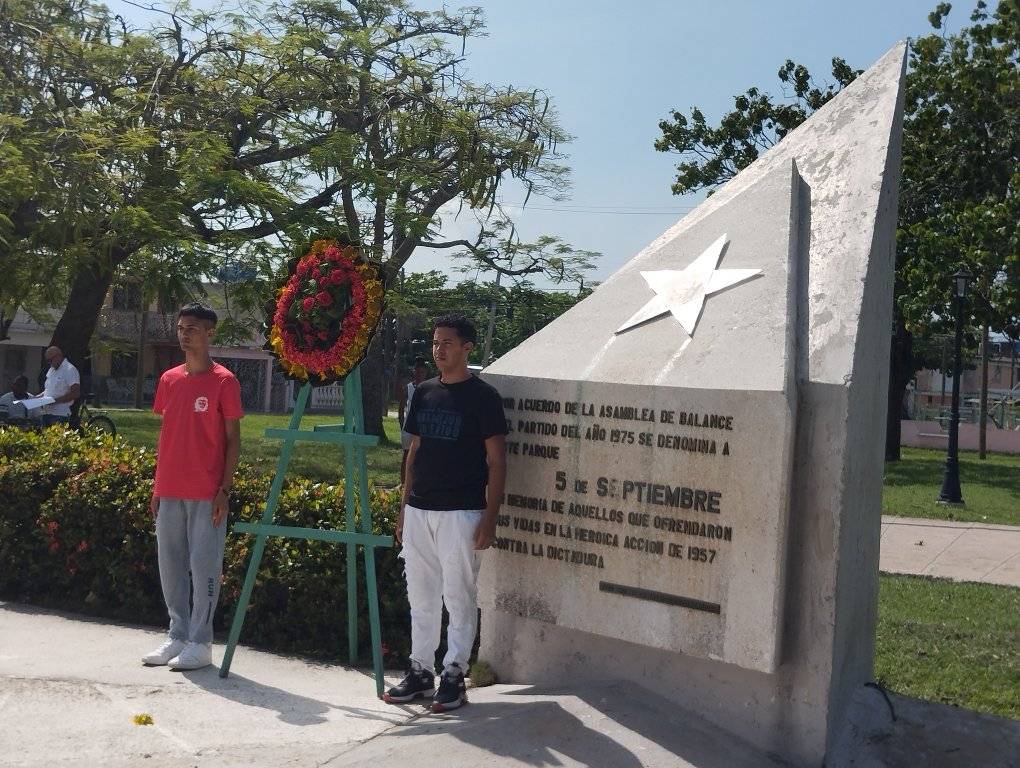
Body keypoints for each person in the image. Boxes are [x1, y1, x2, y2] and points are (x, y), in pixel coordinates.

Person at [384, 314, 507, 712]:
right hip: (420, 510)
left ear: (467, 347)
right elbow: (414, 451)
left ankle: (454, 674)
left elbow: (497, 460)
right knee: (420, 596)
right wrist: (404, 509)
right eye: (436, 342)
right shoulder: (423, 392)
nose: (439, 349)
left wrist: (490, 517)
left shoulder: (483, 397)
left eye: (448, 343)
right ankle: (420, 671)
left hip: (462, 512)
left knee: (458, 596)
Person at [142, 303, 243, 671]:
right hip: (169, 488)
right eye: (182, 328)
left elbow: (233, 439)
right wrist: (157, 485)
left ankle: (201, 642)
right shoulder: (169, 379)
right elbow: (167, 435)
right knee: (170, 566)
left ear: (210, 333)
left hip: (206, 492)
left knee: (203, 568)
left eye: (194, 329)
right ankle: (177, 635)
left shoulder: (224, 381)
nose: (186, 334)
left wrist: (224, 489)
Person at [398, 356, 429, 484]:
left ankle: (417, 482)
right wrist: (402, 426)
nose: (419, 374)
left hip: (423, 429)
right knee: (406, 456)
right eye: (417, 371)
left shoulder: (429, 388)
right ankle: (403, 483)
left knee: (421, 457)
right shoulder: (408, 388)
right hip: (408, 429)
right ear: (413, 371)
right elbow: (401, 408)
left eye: (421, 372)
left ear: (425, 372)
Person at [40, 346, 80, 426]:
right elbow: (49, 389)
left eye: (50, 360)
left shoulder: (69, 369)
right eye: (47, 361)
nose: (49, 363)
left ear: (58, 356)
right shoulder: (51, 370)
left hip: (60, 415)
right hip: (46, 413)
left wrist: (54, 401)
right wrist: (38, 397)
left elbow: (75, 393)